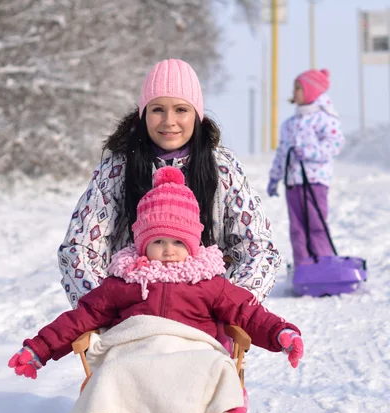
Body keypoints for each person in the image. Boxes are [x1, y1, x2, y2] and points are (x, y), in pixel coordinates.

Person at [9, 167, 303, 413]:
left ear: (192, 245)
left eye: (178, 242)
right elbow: (81, 317)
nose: (168, 250)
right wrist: (39, 349)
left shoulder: (208, 283)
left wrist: (281, 333)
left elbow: (247, 311)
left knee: (216, 366)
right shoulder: (123, 282)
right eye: (158, 241)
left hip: (191, 352)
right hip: (137, 350)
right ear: (142, 243)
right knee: (112, 372)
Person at [58, 58, 281, 311]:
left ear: (196, 114)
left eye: (181, 110)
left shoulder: (223, 168)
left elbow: (259, 248)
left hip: (205, 316)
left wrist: (230, 307)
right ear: (143, 114)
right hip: (130, 315)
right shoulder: (116, 170)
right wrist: (107, 308)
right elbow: (78, 249)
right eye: (157, 110)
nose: (169, 121)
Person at [267, 68, 345, 267]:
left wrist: (310, 151)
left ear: (312, 91)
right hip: (293, 182)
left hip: (315, 181)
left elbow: (335, 144)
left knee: (316, 224)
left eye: (298, 88)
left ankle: (324, 263)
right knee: (297, 227)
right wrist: (275, 178)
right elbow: (282, 153)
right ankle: (304, 266)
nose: (294, 93)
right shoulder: (290, 124)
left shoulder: (325, 119)